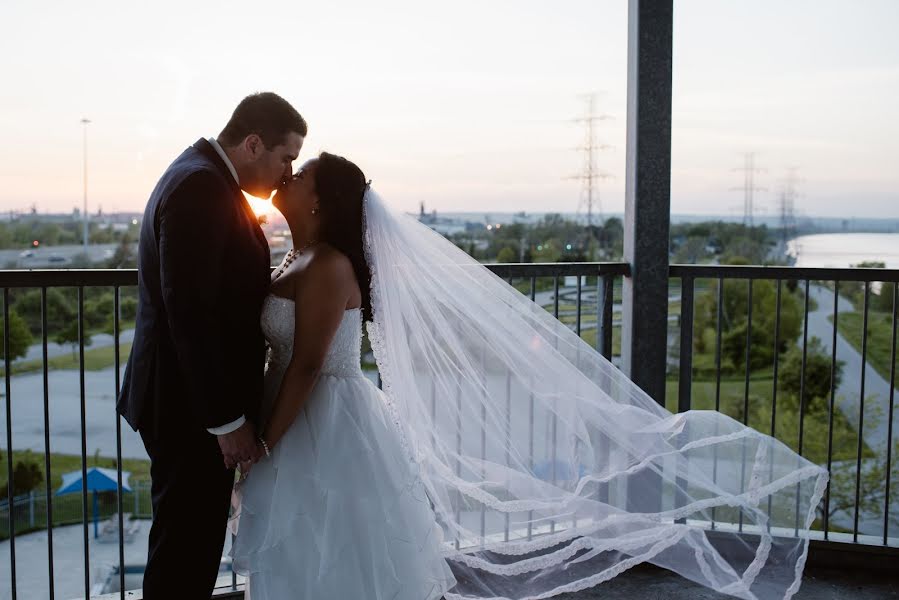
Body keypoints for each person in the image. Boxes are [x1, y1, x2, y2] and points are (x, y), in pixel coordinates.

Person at [232, 151, 828, 600]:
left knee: (333, 548)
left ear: (319, 201)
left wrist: (264, 441)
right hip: (293, 415)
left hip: (323, 426)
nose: (290, 176)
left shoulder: (330, 265)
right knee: (302, 549)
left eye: (302, 171)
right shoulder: (294, 256)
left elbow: (308, 365)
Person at [118, 92, 305, 598]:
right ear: (252, 143)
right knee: (185, 553)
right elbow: (191, 313)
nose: (288, 172)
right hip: (188, 411)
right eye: (286, 157)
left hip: (185, 404)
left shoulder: (200, 175)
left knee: (188, 546)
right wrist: (225, 421)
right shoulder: (201, 186)